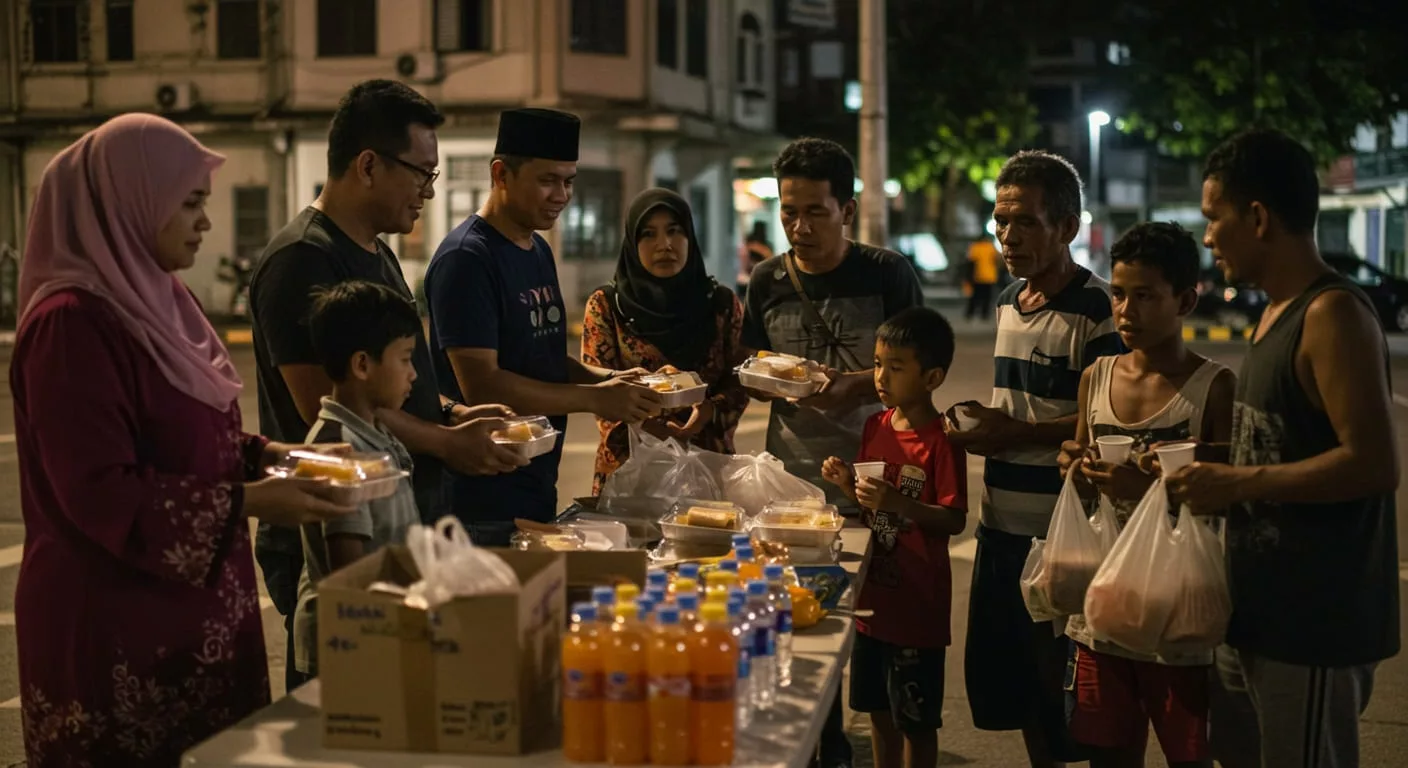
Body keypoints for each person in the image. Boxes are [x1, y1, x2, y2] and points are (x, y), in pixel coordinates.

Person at [10, 114, 354, 767]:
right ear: (128, 202)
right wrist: (255, 501)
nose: (205, 222)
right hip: (114, 631)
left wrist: (279, 456)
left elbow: (190, 430)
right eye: (190, 203)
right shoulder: (71, 325)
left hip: (190, 618)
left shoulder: (163, 301)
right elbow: (96, 490)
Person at [248, 80, 522, 693]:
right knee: (350, 703)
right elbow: (332, 408)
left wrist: (454, 413)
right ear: (368, 164)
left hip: (397, 521)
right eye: (421, 173)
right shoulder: (303, 261)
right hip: (334, 533)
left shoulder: (378, 251)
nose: (428, 190)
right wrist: (449, 444)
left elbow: (399, 385)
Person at [1164, 129, 1400, 768]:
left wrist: (1237, 484)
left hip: (1313, 622)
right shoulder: (1274, 314)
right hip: (1254, 613)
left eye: (1215, 219)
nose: (1207, 237)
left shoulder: (1332, 314)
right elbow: (1277, 442)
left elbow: (1374, 463)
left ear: (1259, 218)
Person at [742, 136, 924, 768]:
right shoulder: (766, 278)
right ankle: (819, 747)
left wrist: (845, 388)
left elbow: (917, 372)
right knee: (799, 625)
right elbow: (752, 362)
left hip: (874, 478)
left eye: (815, 211)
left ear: (846, 209)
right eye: (789, 211)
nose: (799, 226)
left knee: (878, 642)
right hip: (790, 485)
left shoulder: (886, 273)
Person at [945, 150, 1122, 768]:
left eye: (1025, 222)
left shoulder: (1098, 310)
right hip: (1001, 526)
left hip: (1065, 533)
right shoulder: (1007, 303)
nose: (1008, 237)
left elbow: (1108, 422)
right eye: (1000, 222)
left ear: (1067, 227)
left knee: (1079, 692)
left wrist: (1011, 429)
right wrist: (977, 429)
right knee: (1020, 689)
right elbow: (1011, 407)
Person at [425, 107, 663, 544]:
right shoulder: (467, 259)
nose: (562, 195)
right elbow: (483, 385)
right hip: (480, 499)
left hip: (533, 482)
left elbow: (545, 359)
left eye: (569, 181)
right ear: (501, 174)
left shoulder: (536, 248)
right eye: (547, 180)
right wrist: (594, 399)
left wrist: (614, 380)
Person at [1054, 222, 1235, 768]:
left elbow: (1229, 496)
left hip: (1180, 614)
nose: (1126, 310)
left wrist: (1154, 486)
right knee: (1109, 753)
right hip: (1103, 609)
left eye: (1145, 296)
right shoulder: (1097, 376)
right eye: (1118, 294)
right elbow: (1081, 465)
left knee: (1190, 753)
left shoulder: (1213, 387)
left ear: (1185, 300)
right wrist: (1075, 468)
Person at [820, 307, 966, 768]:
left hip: (916, 609)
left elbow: (953, 519)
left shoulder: (941, 440)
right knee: (877, 712)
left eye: (895, 367)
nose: (881, 376)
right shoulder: (876, 427)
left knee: (916, 722)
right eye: (878, 363)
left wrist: (901, 505)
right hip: (871, 604)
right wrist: (849, 485)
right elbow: (872, 505)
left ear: (932, 376)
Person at [291, 281, 425, 680]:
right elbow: (350, 578)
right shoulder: (338, 452)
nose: (413, 374)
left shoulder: (373, 430)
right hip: (350, 643)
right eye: (405, 359)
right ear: (362, 365)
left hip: (382, 627)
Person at [582, 188, 750, 494]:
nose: (664, 245)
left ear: (690, 236)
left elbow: (741, 379)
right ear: (633, 243)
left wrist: (709, 410)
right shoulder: (606, 306)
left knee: (708, 539)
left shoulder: (721, 304)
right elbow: (597, 390)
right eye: (648, 234)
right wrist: (651, 427)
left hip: (707, 467)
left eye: (674, 231)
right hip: (631, 474)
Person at [965, 233, 1002, 321]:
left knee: (974, 296)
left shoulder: (975, 247)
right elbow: (998, 260)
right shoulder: (991, 247)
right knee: (987, 297)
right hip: (990, 277)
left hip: (977, 276)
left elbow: (971, 262)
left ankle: (970, 313)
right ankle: (984, 314)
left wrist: (969, 276)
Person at [737, 219, 775, 294]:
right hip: (749, 274)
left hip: (761, 274)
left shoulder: (766, 246)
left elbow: (770, 259)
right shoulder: (752, 244)